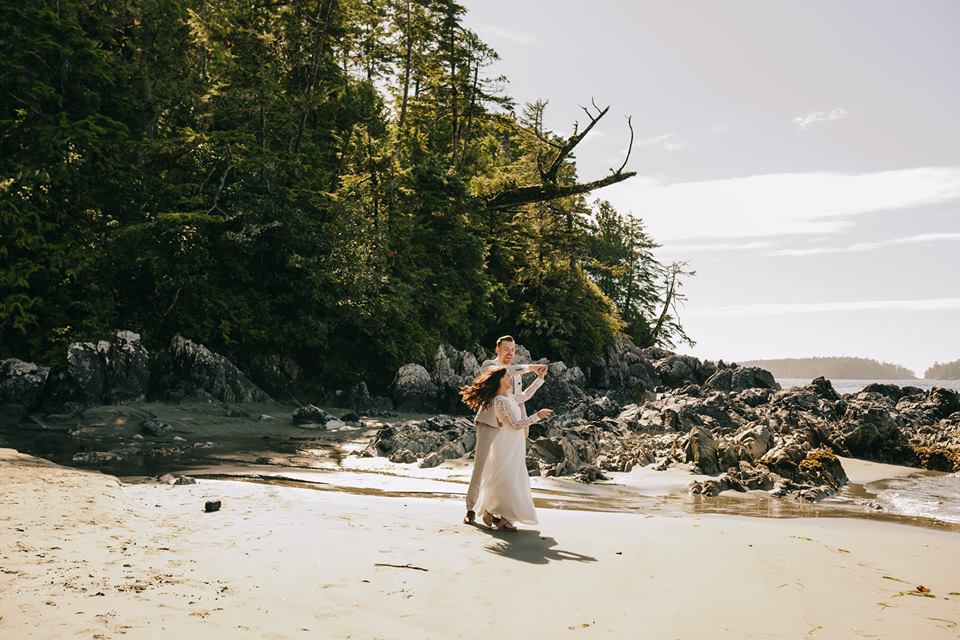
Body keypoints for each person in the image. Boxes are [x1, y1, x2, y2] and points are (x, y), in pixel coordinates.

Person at [462, 335, 547, 525]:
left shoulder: (515, 377)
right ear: (498, 349)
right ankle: (470, 509)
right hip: (489, 422)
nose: (510, 353)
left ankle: (498, 511)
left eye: (513, 350)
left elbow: (519, 398)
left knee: (504, 468)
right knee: (481, 466)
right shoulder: (489, 366)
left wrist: (523, 425)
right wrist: (530, 368)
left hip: (510, 425)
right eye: (506, 349)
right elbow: (503, 371)